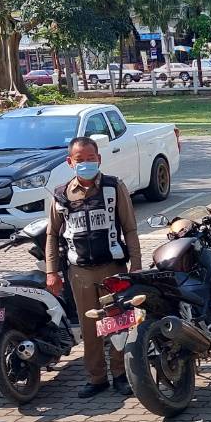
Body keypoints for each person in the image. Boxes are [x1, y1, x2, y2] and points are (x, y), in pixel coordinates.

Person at [46, 136, 142, 397]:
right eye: (80, 159)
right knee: (90, 328)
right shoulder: (61, 194)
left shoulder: (114, 187)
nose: (86, 163)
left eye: (91, 158)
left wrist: (136, 265)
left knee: (118, 322)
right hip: (80, 273)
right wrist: (51, 271)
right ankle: (96, 378)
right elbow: (52, 235)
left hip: (113, 269)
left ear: (99, 159)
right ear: (70, 162)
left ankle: (121, 374)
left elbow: (130, 229)